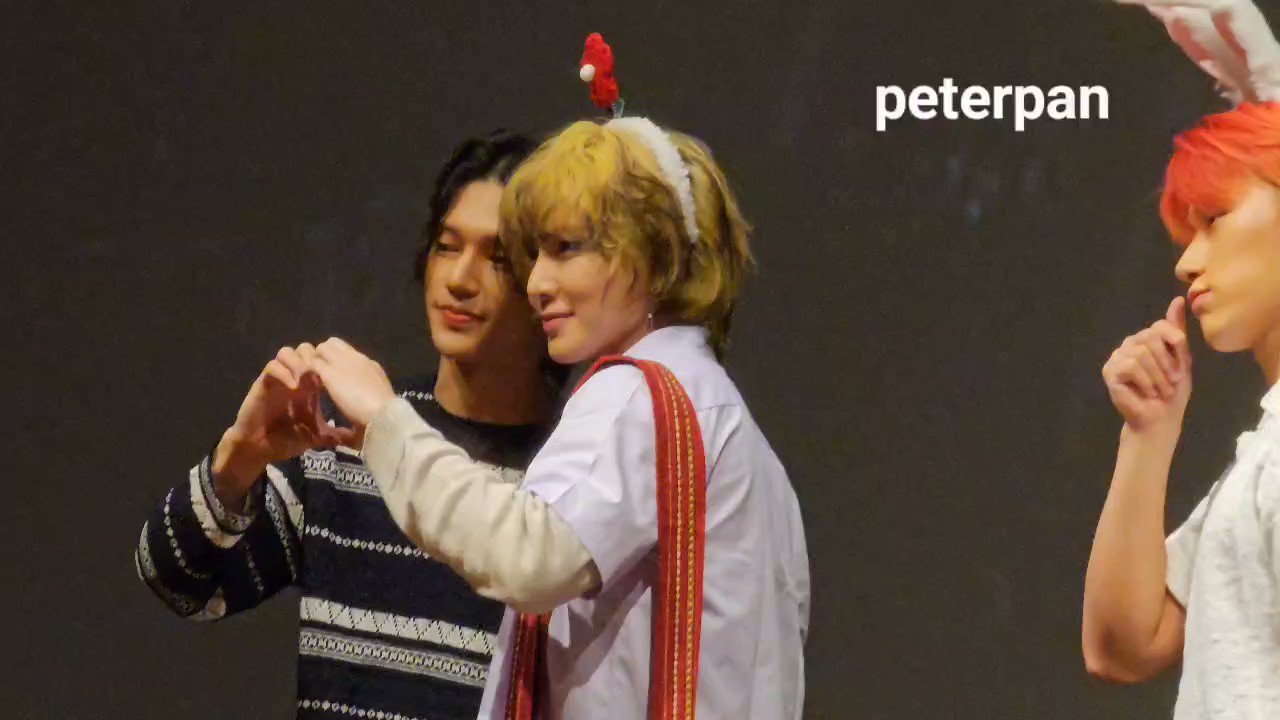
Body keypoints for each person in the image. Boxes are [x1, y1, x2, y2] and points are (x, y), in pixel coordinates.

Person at [302, 117, 810, 719]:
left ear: (655, 253)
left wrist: (386, 419)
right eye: (535, 254)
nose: (538, 283)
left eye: (567, 249)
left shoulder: (636, 396)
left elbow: (526, 553)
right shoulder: (727, 421)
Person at [134, 129, 556, 719]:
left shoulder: (569, 468)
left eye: (499, 257)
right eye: (446, 245)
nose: (460, 278)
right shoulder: (349, 441)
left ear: (549, 283)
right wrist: (237, 460)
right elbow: (181, 582)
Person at [1084, 2, 1280, 717]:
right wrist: (1148, 434)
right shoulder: (1263, 451)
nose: (1188, 262)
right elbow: (1123, 645)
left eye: (1216, 219)